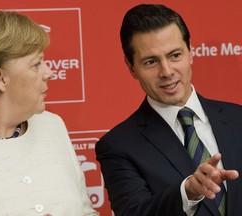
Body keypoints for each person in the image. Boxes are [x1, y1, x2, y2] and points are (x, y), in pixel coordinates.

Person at [95, 4, 242, 216]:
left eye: (174, 55)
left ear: (190, 52)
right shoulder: (118, 146)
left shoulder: (238, 119)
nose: (166, 71)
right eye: (151, 61)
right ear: (131, 67)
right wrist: (187, 193)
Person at [0, 10, 98, 216]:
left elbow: (86, 213)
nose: (49, 72)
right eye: (36, 63)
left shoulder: (52, 126)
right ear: (0, 77)